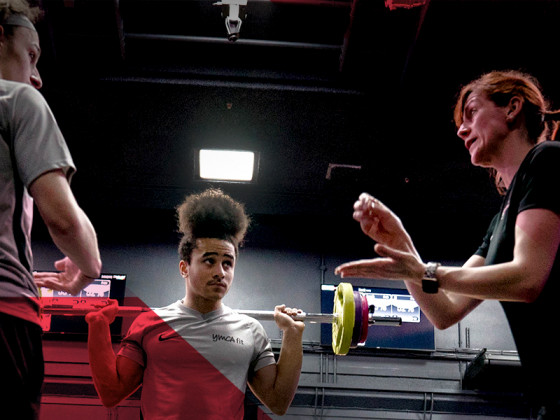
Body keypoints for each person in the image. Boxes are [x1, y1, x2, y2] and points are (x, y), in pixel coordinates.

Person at [335, 70, 560, 419]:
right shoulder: (500, 220)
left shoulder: (547, 160)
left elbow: (528, 280)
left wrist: (426, 270)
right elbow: (445, 311)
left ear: (512, 107)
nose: (461, 129)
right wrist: (402, 245)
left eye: (472, 112)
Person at [86, 188, 305, 419]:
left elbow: (278, 402)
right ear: (184, 268)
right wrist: (97, 326)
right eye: (209, 261)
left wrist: (293, 333)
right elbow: (111, 394)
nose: (220, 272)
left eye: (228, 263)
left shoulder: (251, 331)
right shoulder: (149, 323)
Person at [0, 1, 102, 419]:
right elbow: (62, 220)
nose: (36, 77)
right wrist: (89, 267)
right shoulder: (16, 99)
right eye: (31, 56)